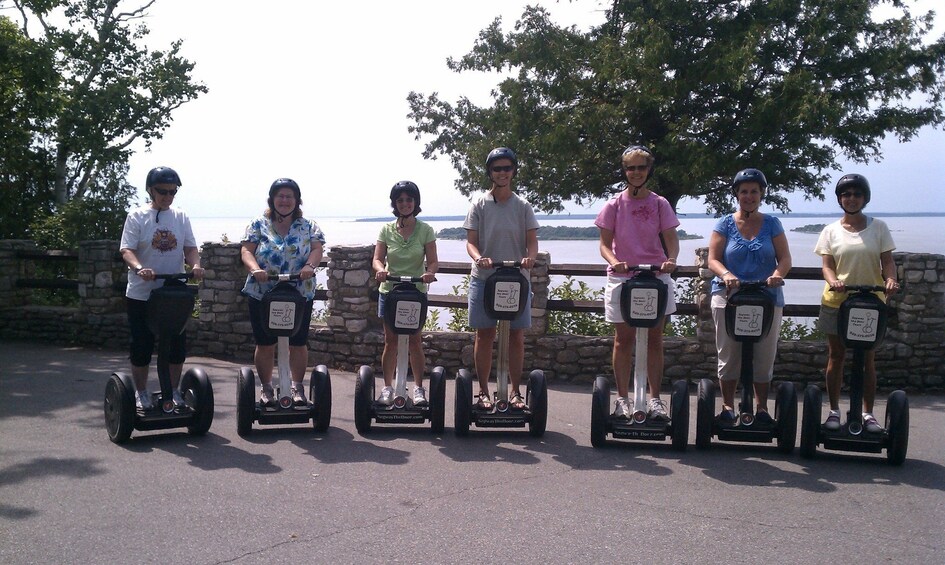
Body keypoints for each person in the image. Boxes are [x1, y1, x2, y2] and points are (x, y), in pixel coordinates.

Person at [596, 145, 680, 420]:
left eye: (640, 167)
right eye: (630, 168)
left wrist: (671, 260)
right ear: (625, 171)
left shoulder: (660, 203)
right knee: (623, 339)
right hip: (623, 276)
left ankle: (654, 399)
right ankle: (622, 399)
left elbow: (671, 241)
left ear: (648, 170)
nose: (635, 172)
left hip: (655, 276)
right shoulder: (614, 204)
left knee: (655, 339)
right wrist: (614, 261)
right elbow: (605, 245)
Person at [814, 173, 898, 433]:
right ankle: (834, 411)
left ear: (865, 198)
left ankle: (868, 413)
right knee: (836, 356)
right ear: (840, 199)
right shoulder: (830, 230)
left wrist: (891, 279)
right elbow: (827, 266)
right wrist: (834, 281)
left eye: (856, 194)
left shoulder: (879, 227)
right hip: (838, 301)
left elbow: (887, 261)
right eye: (846, 194)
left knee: (867, 359)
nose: (851, 199)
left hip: (870, 302)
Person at [707, 168, 792, 424]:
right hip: (729, 296)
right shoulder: (724, 223)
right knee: (729, 353)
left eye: (754, 191)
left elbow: (785, 258)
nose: (749, 196)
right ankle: (727, 406)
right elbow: (713, 259)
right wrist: (726, 274)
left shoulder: (772, 223)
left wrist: (777, 274)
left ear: (762, 194)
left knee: (764, 354)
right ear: (737, 194)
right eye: (744, 191)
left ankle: (762, 408)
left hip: (767, 297)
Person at [120, 166, 205, 410]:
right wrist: (139, 268)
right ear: (150, 190)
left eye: (172, 192)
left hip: (172, 292)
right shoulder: (137, 216)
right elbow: (127, 250)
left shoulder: (180, 216)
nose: (167, 197)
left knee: (177, 346)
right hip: (142, 293)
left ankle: (174, 391)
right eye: (162, 192)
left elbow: (189, 248)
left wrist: (196, 264)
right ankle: (140, 393)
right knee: (142, 345)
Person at [464, 147, 539, 410]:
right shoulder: (479, 204)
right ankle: (484, 392)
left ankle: (516, 392)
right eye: (497, 169)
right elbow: (471, 243)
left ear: (514, 171)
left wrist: (530, 258)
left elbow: (532, 242)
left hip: (516, 279)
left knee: (516, 336)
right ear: (490, 173)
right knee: (484, 334)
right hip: (485, 277)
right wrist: (478, 257)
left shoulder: (523, 206)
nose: (502, 173)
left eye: (507, 168)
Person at [240, 178, 325, 406]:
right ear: (272, 199)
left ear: (296, 201)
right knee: (265, 342)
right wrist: (255, 269)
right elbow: (247, 251)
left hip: (299, 291)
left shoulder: (308, 226)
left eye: (289, 196)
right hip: (262, 291)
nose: (285, 200)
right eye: (280, 196)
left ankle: (297, 388)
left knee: (298, 342)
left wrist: (309, 267)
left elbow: (317, 249)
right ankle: (266, 388)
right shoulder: (258, 224)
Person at [372, 181, 439, 406]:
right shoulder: (386, 229)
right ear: (395, 204)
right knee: (390, 341)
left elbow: (433, 262)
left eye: (409, 200)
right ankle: (388, 388)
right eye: (400, 200)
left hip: (415, 292)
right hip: (390, 291)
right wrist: (381, 271)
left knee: (415, 340)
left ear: (415, 202)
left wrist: (429, 273)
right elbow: (377, 258)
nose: (405, 204)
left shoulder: (425, 230)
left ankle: (419, 388)